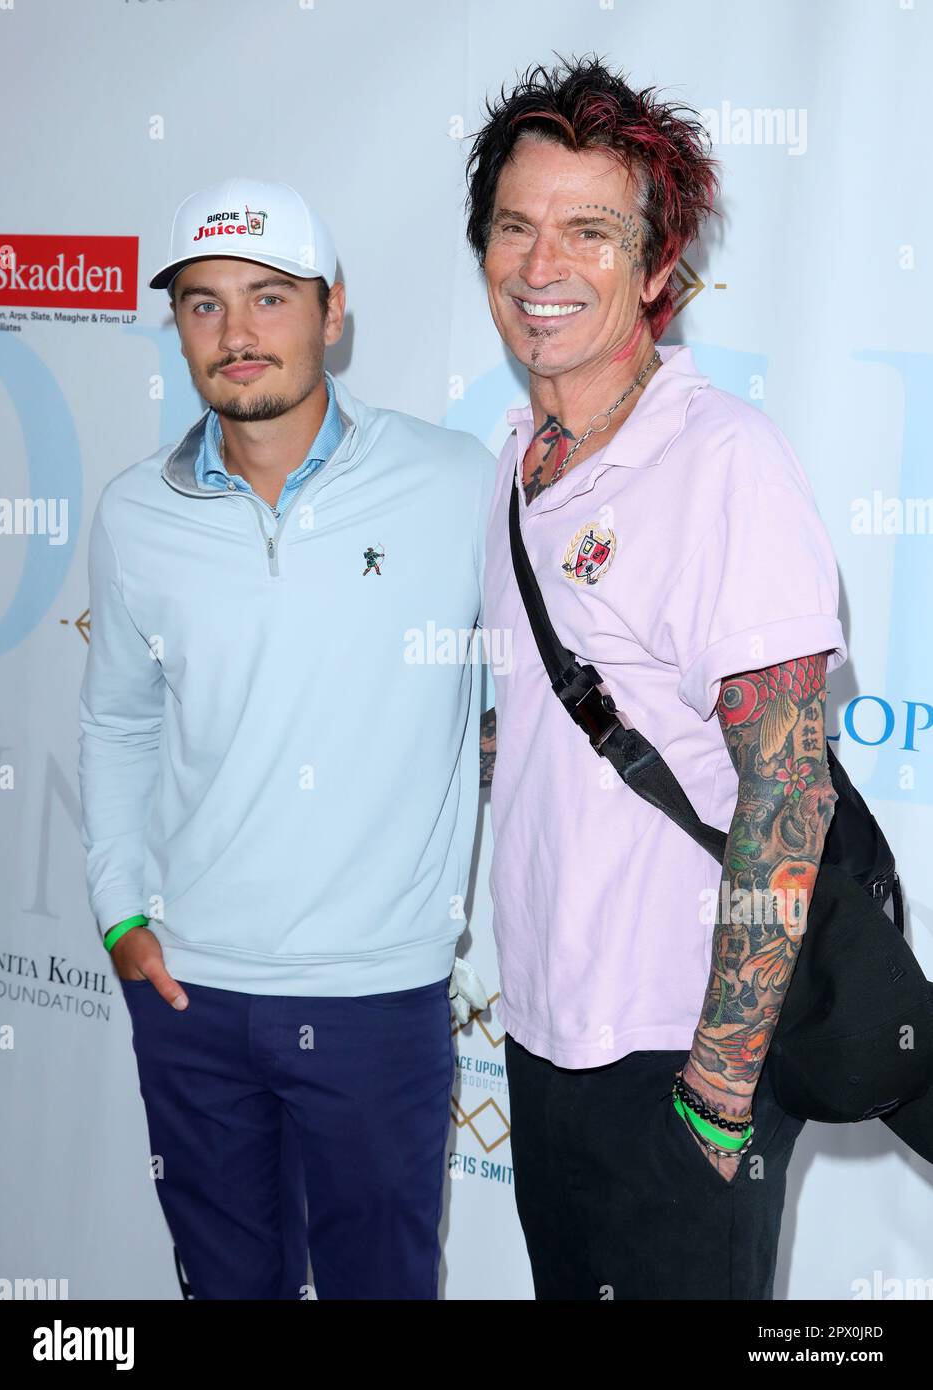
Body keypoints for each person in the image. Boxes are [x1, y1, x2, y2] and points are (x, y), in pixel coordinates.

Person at [467, 58, 847, 1299]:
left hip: (675, 1063)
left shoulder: (724, 460)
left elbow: (786, 800)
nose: (540, 266)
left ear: (655, 269)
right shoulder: (518, 455)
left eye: (587, 230)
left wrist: (719, 1091)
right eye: (515, 226)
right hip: (542, 1034)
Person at [78, 176, 493, 1300]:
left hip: (374, 998)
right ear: (176, 326)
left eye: (268, 297)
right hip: (188, 997)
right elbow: (118, 718)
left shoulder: (454, 484)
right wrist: (119, 907)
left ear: (332, 310)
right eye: (204, 304)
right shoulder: (133, 513)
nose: (236, 332)